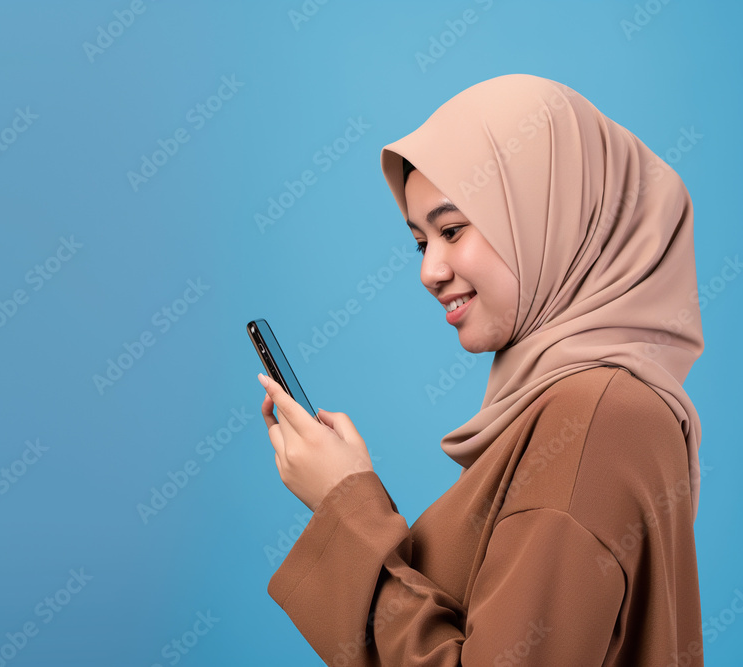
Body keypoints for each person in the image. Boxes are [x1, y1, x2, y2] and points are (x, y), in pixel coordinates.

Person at [257, 73, 705, 666]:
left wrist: (347, 506)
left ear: (551, 216)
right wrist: (348, 500)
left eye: (452, 230)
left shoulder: (597, 418)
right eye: (421, 242)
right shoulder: (587, 408)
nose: (430, 271)